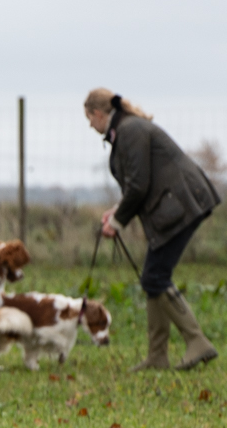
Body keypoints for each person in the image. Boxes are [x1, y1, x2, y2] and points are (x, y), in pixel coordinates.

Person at [88, 89, 220, 370]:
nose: (90, 125)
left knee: (155, 276)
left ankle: (197, 342)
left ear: (99, 114)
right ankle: (157, 355)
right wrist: (117, 210)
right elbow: (139, 181)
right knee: (153, 277)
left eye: (89, 118)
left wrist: (118, 221)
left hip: (182, 205)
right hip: (177, 205)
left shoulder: (130, 130)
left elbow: (139, 185)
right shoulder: (127, 129)